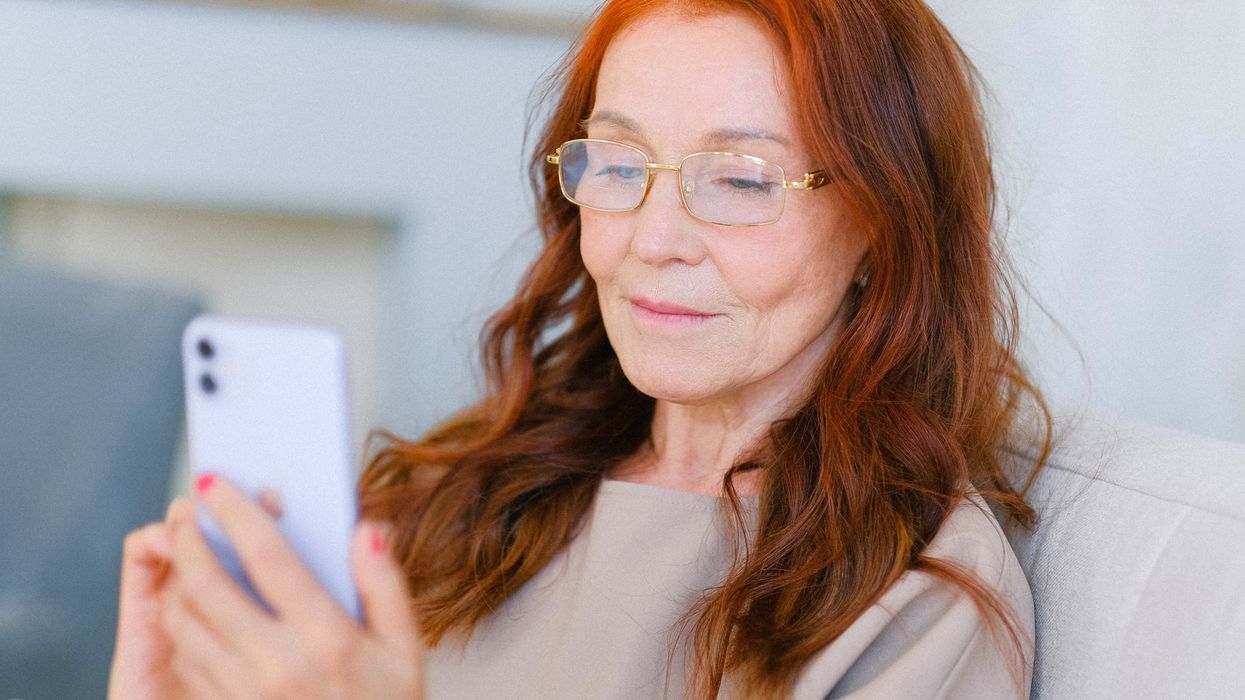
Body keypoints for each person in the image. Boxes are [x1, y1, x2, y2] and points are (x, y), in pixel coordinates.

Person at [109, 0, 1051, 697]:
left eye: (738, 178)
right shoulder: (480, 490)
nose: (652, 239)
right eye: (618, 165)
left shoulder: (916, 601)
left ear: (881, 224)